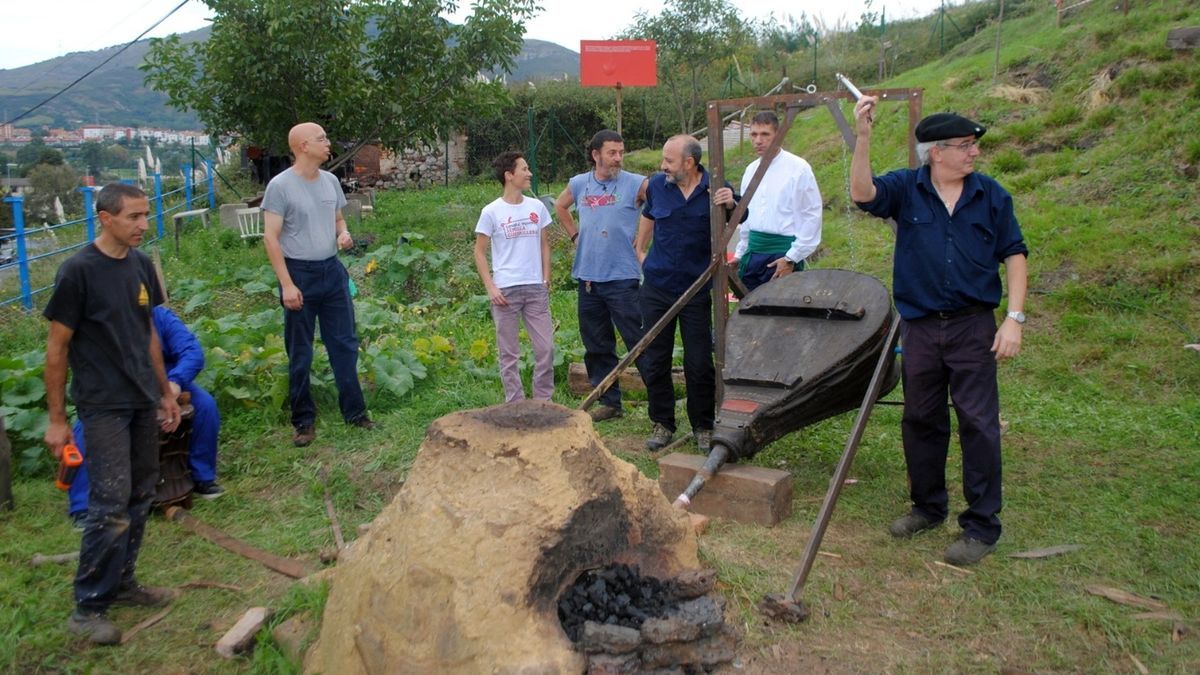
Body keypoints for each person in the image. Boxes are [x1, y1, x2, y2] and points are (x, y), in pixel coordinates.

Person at [850, 98, 1028, 566]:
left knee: (979, 423)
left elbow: (1015, 254)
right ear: (935, 151)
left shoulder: (991, 195)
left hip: (973, 326)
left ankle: (981, 525)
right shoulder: (907, 189)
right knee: (922, 420)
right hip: (922, 327)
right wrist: (864, 136)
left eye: (973, 145)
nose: (974, 153)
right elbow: (862, 193)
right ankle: (927, 507)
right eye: (965, 146)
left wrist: (1015, 317)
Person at [43, 182, 182, 646]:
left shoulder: (141, 265)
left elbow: (148, 336)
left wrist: (164, 393)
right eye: (133, 217)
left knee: (141, 491)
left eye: (146, 216)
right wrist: (58, 419)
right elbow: (57, 349)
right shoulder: (77, 272)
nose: (144, 225)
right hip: (102, 404)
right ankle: (88, 608)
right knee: (109, 502)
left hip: (143, 398)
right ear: (105, 218)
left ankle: (122, 581)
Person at [263, 122, 374, 448]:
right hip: (299, 274)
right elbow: (270, 238)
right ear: (302, 146)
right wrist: (286, 285)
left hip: (332, 272)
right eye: (321, 138)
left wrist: (342, 233)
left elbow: (338, 219)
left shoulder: (330, 182)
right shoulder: (280, 187)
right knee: (300, 351)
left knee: (345, 344)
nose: (328, 143)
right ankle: (303, 421)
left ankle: (355, 414)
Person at [67, 305, 224, 529]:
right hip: (119, 391)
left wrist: (175, 382)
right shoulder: (101, 322)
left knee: (205, 406)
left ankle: (202, 478)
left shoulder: (161, 317)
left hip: (167, 382)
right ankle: (82, 506)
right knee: (86, 429)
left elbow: (192, 352)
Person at [636, 135, 745, 453]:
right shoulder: (658, 185)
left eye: (668, 160)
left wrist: (730, 203)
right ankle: (663, 422)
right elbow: (649, 216)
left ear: (689, 162)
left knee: (699, 362)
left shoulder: (715, 186)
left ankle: (702, 426)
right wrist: (640, 251)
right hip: (657, 287)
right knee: (656, 360)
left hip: (695, 289)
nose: (662, 166)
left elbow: (739, 218)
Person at [553, 130, 650, 421]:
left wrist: (642, 241)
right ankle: (610, 402)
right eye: (612, 153)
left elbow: (659, 206)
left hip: (622, 277)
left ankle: (660, 405)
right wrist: (574, 236)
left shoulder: (636, 184)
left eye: (621, 152)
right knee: (597, 344)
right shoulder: (580, 183)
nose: (618, 158)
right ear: (596, 155)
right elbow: (560, 205)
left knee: (640, 340)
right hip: (589, 278)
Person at [474, 151, 555, 402]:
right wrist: (491, 287)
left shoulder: (537, 207)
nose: (529, 173)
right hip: (505, 292)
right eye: (524, 169)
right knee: (509, 354)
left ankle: (543, 401)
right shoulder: (491, 212)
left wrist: (545, 278)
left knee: (546, 348)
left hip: (534, 289)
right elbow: (478, 252)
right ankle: (515, 404)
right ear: (509, 176)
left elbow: (544, 245)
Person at [731, 111, 823, 292]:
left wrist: (791, 258)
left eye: (765, 134)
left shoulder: (798, 168)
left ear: (778, 135)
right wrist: (740, 253)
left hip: (783, 253)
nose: (758, 140)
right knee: (750, 314)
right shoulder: (750, 170)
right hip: (754, 254)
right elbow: (746, 217)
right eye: (754, 134)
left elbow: (811, 214)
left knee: (784, 312)